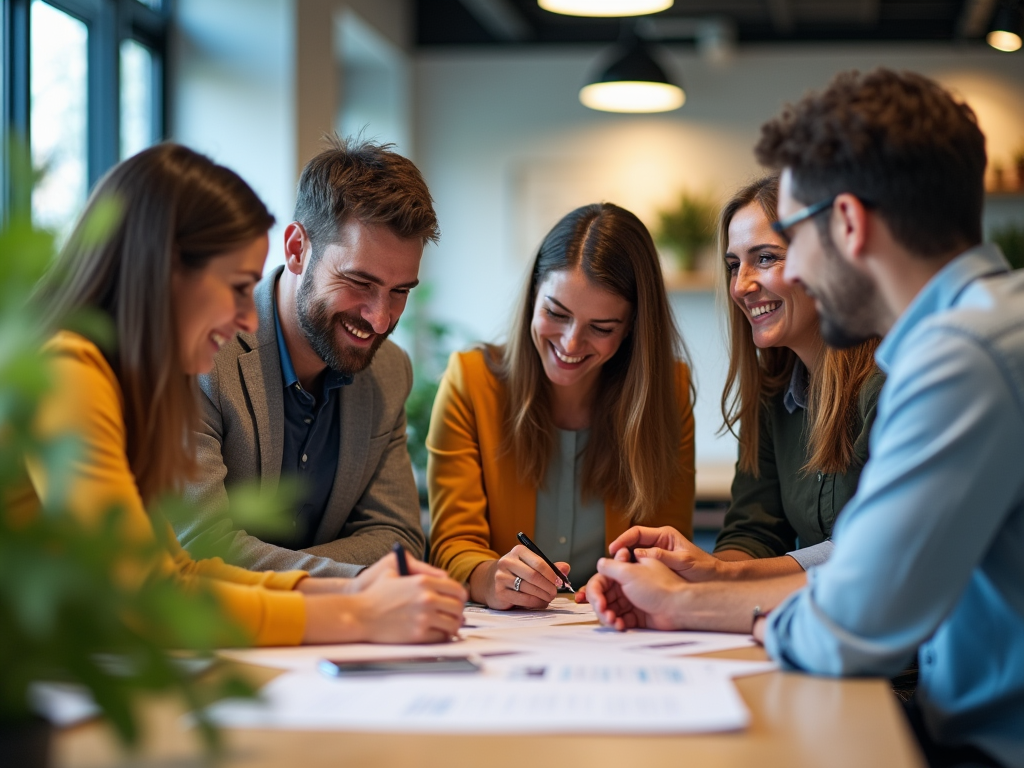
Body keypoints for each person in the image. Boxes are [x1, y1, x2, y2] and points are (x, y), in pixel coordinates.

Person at [587, 69, 1024, 768]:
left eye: (792, 241)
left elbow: (854, 623)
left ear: (848, 224)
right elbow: (866, 571)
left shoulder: (959, 358)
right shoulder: (989, 326)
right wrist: (705, 587)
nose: (786, 276)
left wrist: (684, 605)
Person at [20, 143, 465, 646]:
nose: (248, 318)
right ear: (163, 274)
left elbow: (181, 572)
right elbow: (145, 598)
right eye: (236, 287)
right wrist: (354, 615)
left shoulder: (119, 382)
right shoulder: (67, 374)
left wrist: (352, 598)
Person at [175, 137, 435, 577]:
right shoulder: (203, 354)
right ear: (296, 249)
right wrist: (354, 586)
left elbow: (398, 537)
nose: (379, 319)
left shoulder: (390, 371)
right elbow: (203, 547)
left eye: (400, 292)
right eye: (359, 282)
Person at [609, 175, 883, 583]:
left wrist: (722, 576)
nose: (741, 285)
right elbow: (754, 533)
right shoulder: (773, 393)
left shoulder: (887, 384)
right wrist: (691, 575)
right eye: (734, 265)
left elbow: (877, 548)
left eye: (767, 258)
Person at [428, 203, 695, 609]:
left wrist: (639, 581)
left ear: (632, 329)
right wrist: (489, 578)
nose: (570, 344)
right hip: (508, 635)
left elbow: (666, 545)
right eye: (556, 313)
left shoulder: (667, 395)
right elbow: (453, 545)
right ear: (534, 294)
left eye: (601, 328)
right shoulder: (470, 383)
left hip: (618, 632)